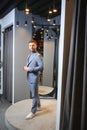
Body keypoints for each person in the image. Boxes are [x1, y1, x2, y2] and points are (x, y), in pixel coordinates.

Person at [24, 39, 43, 119]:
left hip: (34, 78)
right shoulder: (29, 55)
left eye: (33, 45)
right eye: (30, 45)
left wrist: (30, 69)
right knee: (35, 93)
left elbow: (41, 67)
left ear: (36, 46)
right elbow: (29, 64)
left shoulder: (38, 56)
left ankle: (33, 112)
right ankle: (38, 105)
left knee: (34, 95)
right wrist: (26, 67)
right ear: (28, 46)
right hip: (29, 78)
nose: (31, 47)